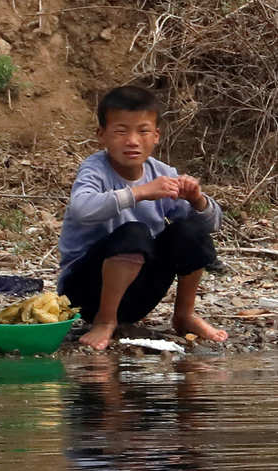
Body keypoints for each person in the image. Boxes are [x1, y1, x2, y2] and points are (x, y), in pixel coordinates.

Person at [57, 85, 228, 350]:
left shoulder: (162, 172)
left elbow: (209, 227)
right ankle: (105, 320)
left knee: (189, 230)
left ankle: (184, 315)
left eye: (143, 131)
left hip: (140, 291)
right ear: (101, 135)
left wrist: (197, 199)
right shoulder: (95, 169)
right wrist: (139, 193)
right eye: (121, 131)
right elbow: (82, 208)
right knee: (134, 231)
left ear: (156, 135)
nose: (133, 141)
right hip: (84, 292)